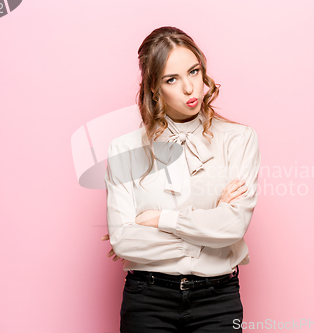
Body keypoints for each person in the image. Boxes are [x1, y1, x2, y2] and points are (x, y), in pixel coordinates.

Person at [101, 26, 261, 332]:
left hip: (217, 300)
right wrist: (209, 235)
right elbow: (124, 240)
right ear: (153, 88)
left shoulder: (239, 139)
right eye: (171, 79)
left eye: (194, 71)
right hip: (148, 299)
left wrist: (162, 219)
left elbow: (234, 226)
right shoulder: (124, 149)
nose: (190, 88)